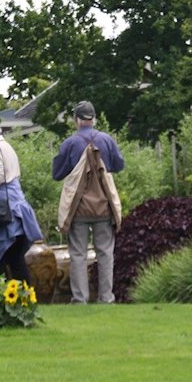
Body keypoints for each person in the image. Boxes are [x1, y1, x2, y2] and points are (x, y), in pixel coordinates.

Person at [52, 100, 125, 303]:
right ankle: (106, 297)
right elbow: (119, 165)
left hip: (78, 208)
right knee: (105, 253)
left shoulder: (70, 143)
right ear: (94, 119)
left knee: (78, 254)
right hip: (103, 206)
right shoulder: (107, 140)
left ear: (76, 120)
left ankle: (80, 299)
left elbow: (57, 173)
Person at [0, 113, 44, 283]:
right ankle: (25, 295)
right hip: (17, 207)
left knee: (0, 261)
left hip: (5, 211)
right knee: (16, 261)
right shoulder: (6, 145)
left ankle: (3, 295)